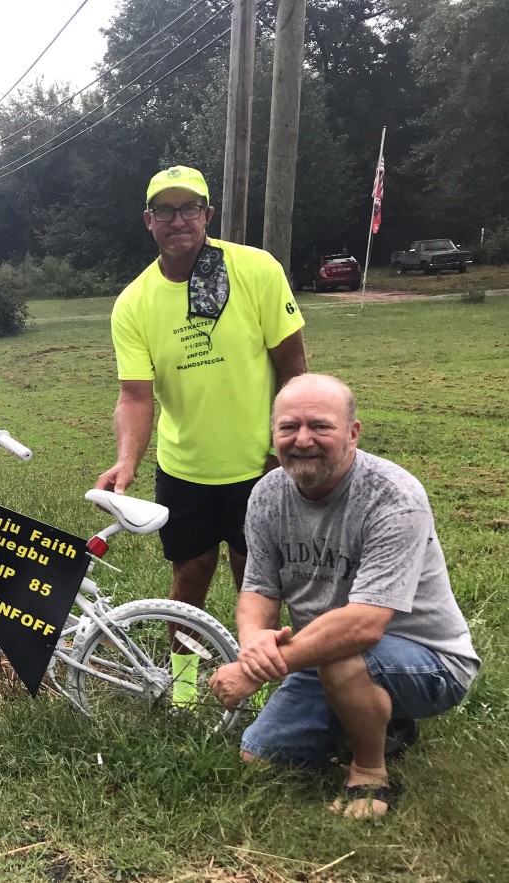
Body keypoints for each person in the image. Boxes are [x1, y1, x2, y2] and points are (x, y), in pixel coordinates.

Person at [210, 374, 480, 818]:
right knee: (260, 756)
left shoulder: (393, 497)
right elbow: (258, 588)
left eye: (320, 426)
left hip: (430, 661)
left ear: (353, 433)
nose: (302, 440)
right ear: (272, 434)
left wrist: (255, 671)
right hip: (323, 651)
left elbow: (364, 625)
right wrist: (254, 643)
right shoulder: (266, 495)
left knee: (343, 653)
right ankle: (382, 719)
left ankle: (370, 773)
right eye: (288, 428)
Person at [96, 166, 306, 699]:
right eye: (164, 211)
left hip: (260, 466)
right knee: (188, 579)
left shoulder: (256, 270)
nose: (178, 220)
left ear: (207, 216)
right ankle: (186, 692)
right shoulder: (134, 303)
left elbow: (294, 371)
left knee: (254, 584)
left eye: (190, 208)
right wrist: (127, 461)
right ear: (149, 221)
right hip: (184, 468)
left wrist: (284, 450)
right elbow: (136, 397)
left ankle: (263, 694)